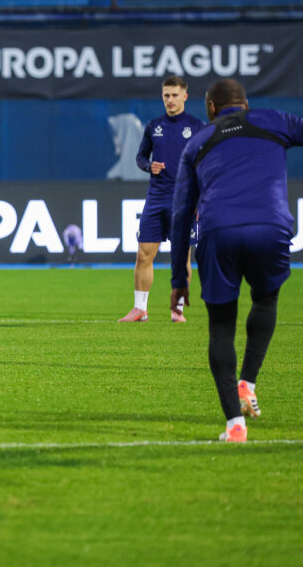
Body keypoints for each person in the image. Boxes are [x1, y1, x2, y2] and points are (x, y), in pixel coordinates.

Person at [170, 78, 303, 443]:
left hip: (218, 232)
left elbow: (181, 215)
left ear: (211, 108)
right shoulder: (273, 120)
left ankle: (234, 426)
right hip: (270, 227)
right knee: (265, 299)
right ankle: (248, 381)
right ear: (245, 104)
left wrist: (178, 281)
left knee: (221, 327)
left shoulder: (198, 141)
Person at [119, 76, 206, 323]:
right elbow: (140, 157)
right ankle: (139, 309)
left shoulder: (197, 127)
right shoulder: (153, 126)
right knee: (144, 255)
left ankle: (177, 310)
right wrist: (149, 166)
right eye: (166, 95)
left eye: (175, 95)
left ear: (185, 97)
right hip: (156, 199)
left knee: (182, 258)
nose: (170, 99)